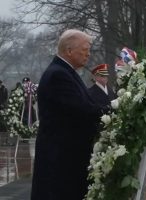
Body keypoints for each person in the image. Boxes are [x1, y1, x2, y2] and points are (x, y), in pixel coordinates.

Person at [31, 29, 107, 200]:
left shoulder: (66, 72)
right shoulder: (58, 75)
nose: (88, 54)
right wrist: (113, 112)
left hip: (66, 158)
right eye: (84, 49)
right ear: (69, 50)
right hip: (60, 161)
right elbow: (82, 109)